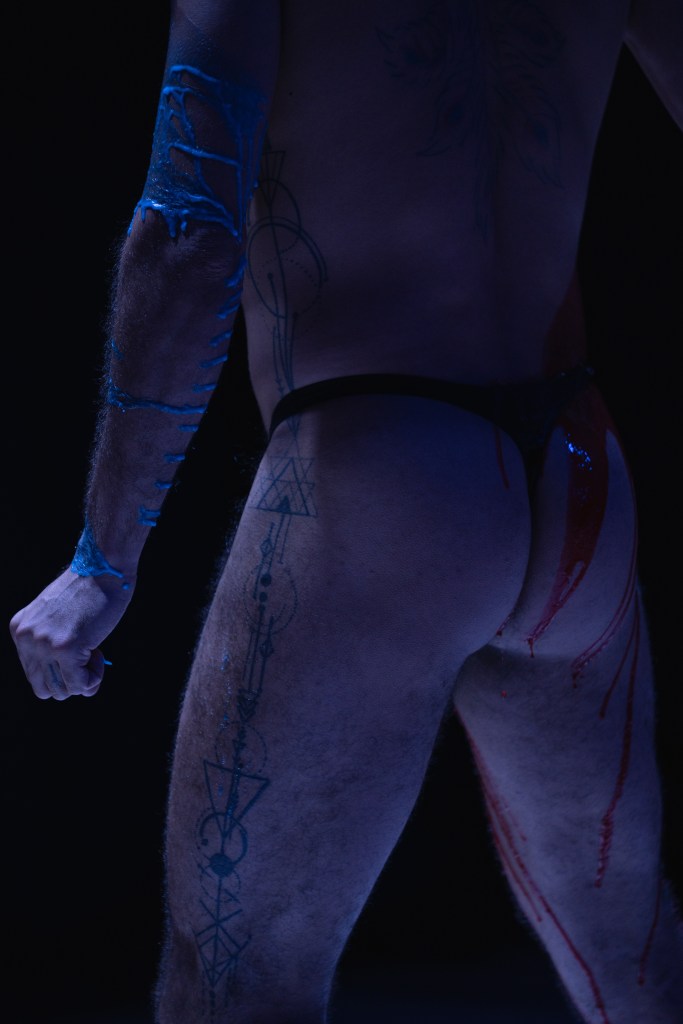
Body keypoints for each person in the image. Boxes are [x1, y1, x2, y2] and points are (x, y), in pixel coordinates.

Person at [9, 1, 683, 1021]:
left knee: (231, 988)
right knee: (631, 957)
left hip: (385, 461)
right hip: (575, 462)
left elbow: (188, 237)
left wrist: (103, 560)